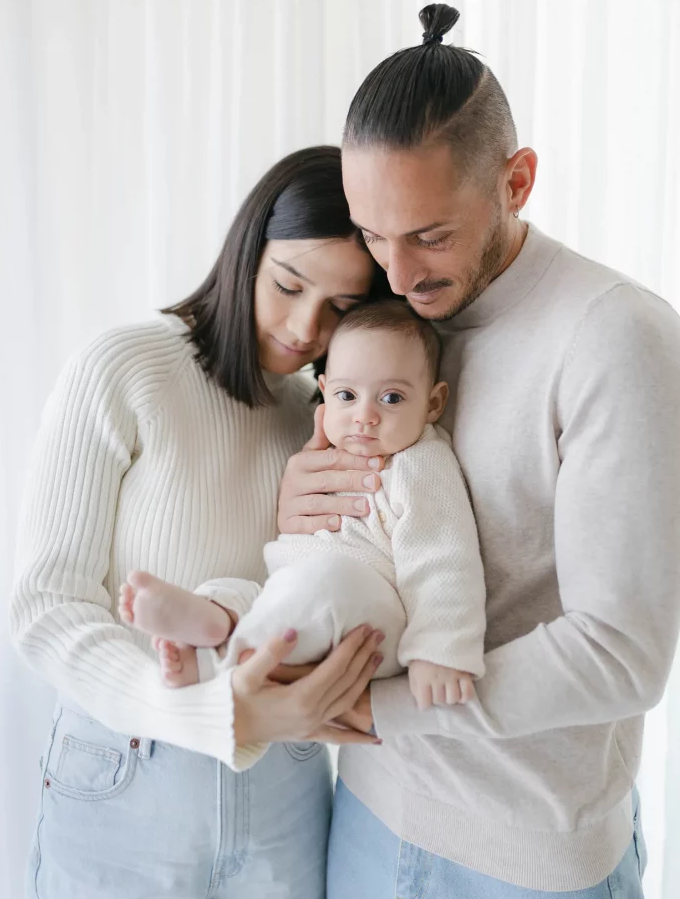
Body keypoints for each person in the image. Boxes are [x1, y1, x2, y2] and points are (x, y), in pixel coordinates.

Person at [276, 4, 680, 899]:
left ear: (516, 180)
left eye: (427, 235)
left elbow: (621, 653)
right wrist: (298, 503)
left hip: (531, 874)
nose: (397, 274)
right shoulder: (378, 317)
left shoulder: (609, 336)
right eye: (373, 234)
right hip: (366, 830)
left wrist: (373, 711)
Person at [10, 146, 386, 899]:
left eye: (340, 308)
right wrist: (199, 711)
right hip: (126, 765)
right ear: (247, 246)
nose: (302, 330)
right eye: (289, 285)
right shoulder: (125, 367)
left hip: (286, 784)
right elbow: (44, 608)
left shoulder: (327, 417)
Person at [118, 300, 486, 726]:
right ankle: (213, 619)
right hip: (294, 591)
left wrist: (439, 648)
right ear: (326, 394)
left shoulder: (421, 462)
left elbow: (443, 556)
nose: (364, 416)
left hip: (372, 613)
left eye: (391, 398)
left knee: (326, 583)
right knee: (243, 589)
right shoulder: (319, 455)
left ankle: (217, 656)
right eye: (347, 396)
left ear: (433, 403)